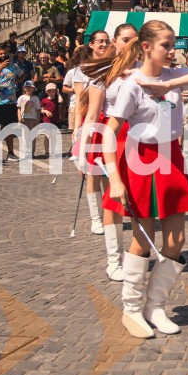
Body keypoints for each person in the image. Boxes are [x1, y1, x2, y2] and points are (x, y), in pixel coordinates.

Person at [103, 20, 188, 338]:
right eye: (166, 46)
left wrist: (169, 85)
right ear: (146, 47)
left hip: (172, 159)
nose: (172, 51)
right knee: (143, 239)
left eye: (174, 45)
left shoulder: (173, 76)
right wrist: (115, 179)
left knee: (176, 240)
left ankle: (155, 307)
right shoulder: (132, 84)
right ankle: (131, 309)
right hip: (140, 159)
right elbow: (109, 135)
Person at [79, 23, 139, 282]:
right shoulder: (102, 71)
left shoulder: (144, 70)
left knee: (139, 200)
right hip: (113, 138)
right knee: (113, 199)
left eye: (134, 39)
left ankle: (138, 255)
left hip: (140, 139)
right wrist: (83, 147)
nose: (129, 44)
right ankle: (114, 260)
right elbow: (92, 113)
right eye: (125, 39)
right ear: (115, 41)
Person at [74, 31, 111, 235]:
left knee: (108, 172)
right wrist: (77, 129)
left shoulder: (114, 65)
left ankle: (108, 213)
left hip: (110, 122)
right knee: (92, 173)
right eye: (100, 41)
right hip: (91, 120)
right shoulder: (83, 69)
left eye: (107, 41)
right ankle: (95, 218)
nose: (104, 45)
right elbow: (80, 100)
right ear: (91, 45)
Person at [0, 44, 25, 161]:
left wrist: (15, 82)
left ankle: (11, 153)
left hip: (10, 101)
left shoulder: (14, 66)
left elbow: (23, 75)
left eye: (5, 53)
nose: (3, 55)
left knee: (9, 128)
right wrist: (0, 68)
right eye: (0, 53)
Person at [17, 81, 41, 157]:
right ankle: (26, 152)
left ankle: (32, 152)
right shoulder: (21, 97)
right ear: (24, 88)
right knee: (24, 135)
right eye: (27, 87)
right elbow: (19, 108)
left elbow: (38, 109)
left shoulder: (36, 98)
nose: (29, 88)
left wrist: (37, 120)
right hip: (24, 119)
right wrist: (19, 118)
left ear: (33, 88)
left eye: (31, 87)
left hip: (33, 119)